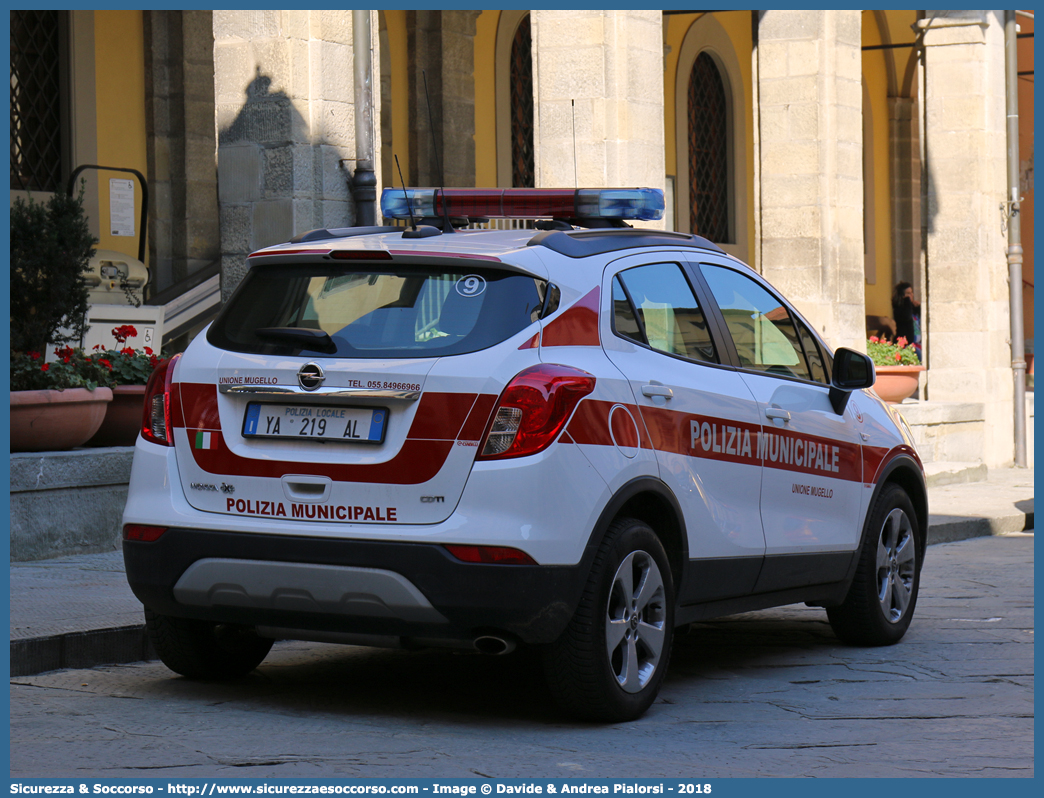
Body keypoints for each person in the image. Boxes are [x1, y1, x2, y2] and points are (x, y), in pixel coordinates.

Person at [891, 281, 921, 357]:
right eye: (908, 293)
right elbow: (906, 317)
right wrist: (907, 301)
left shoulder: (912, 307)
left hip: (918, 343)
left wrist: (919, 308)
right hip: (907, 344)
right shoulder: (899, 308)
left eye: (911, 293)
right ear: (902, 295)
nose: (911, 295)